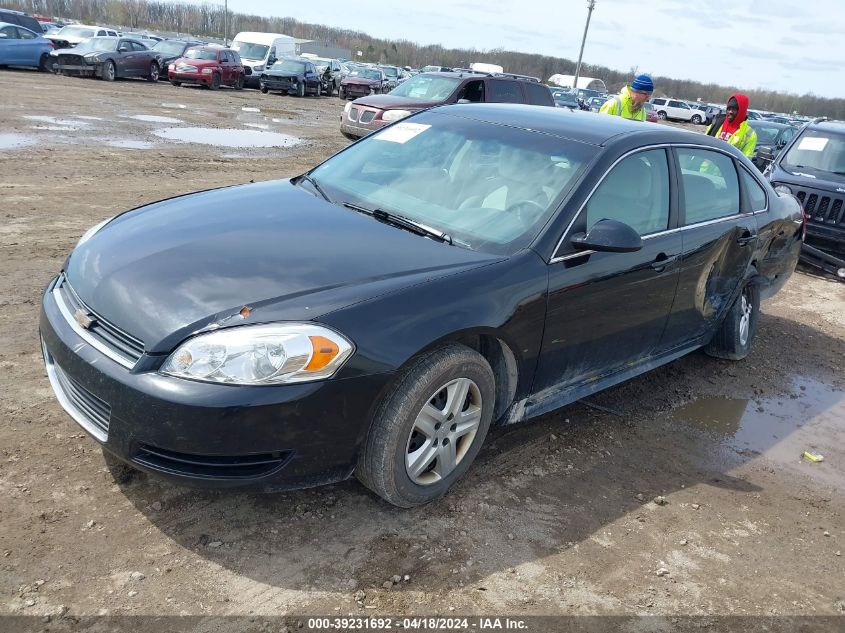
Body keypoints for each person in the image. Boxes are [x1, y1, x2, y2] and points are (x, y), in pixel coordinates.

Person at [706, 94, 757, 158]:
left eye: (734, 109)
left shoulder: (750, 134)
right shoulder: (716, 124)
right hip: (705, 166)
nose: (730, 112)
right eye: (729, 108)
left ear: (742, 111)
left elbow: (746, 160)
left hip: (727, 167)